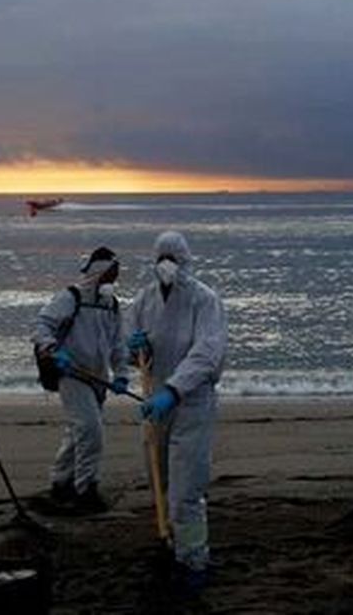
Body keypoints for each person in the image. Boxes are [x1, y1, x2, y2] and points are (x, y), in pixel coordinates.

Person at [125, 231, 227, 589]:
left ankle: (194, 559)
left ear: (186, 260)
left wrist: (173, 389)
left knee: (187, 487)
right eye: (161, 257)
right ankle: (169, 541)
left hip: (191, 403)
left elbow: (207, 355)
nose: (167, 264)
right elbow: (133, 352)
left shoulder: (204, 300)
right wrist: (132, 349)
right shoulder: (144, 301)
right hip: (155, 402)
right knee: (160, 480)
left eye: (173, 257)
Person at [33, 246, 128, 513]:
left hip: (98, 378)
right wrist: (53, 350)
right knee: (90, 431)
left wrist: (121, 374)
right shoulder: (70, 298)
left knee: (77, 433)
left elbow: (118, 345)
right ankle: (86, 488)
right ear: (99, 273)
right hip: (72, 374)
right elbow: (42, 327)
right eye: (111, 274)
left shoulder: (112, 306)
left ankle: (61, 481)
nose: (114, 280)